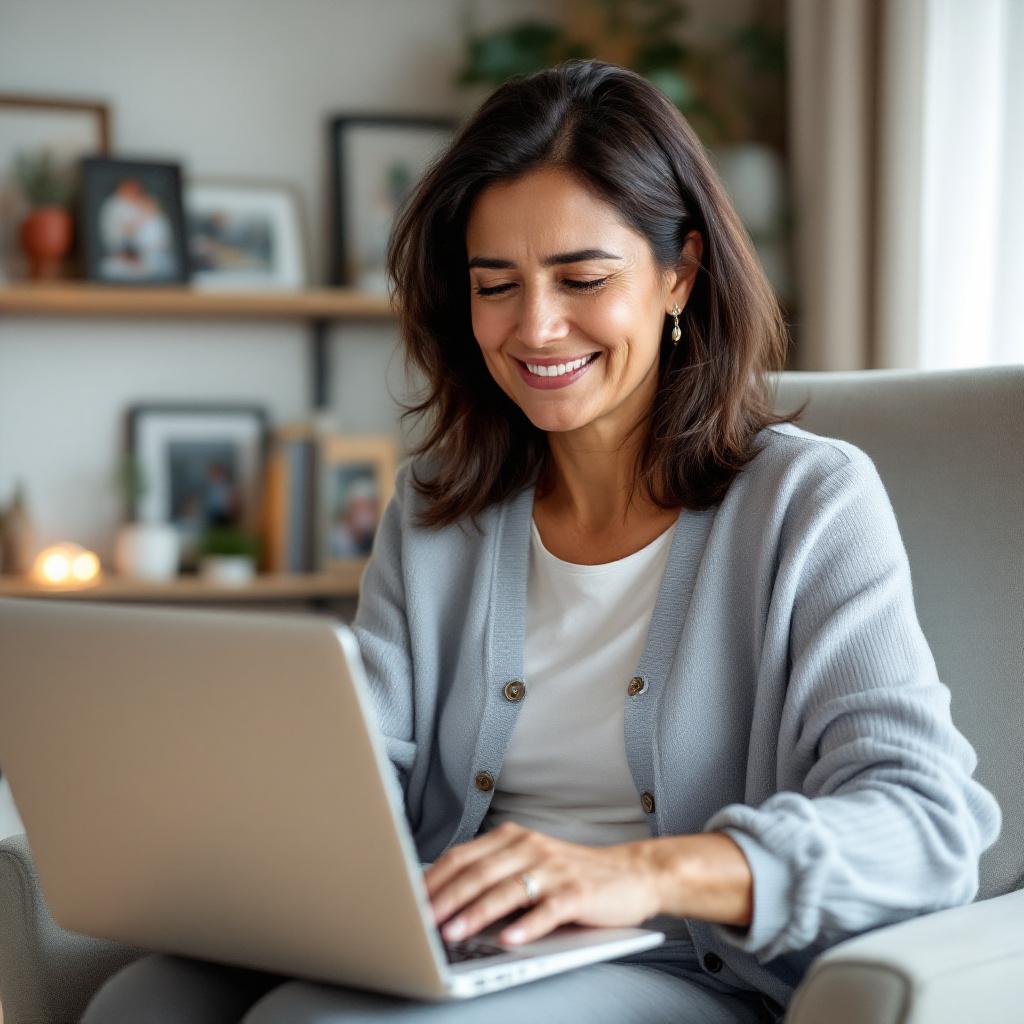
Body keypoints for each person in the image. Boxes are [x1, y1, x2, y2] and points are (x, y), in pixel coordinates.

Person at [83, 60, 1001, 1023]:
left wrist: (638, 874)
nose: (536, 326)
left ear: (678, 272)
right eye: (496, 285)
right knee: (141, 1002)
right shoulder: (440, 505)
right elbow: (369, 771)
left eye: (583, 277)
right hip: (463, 942)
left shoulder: (807, 500)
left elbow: (929, 823)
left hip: (684, 968)